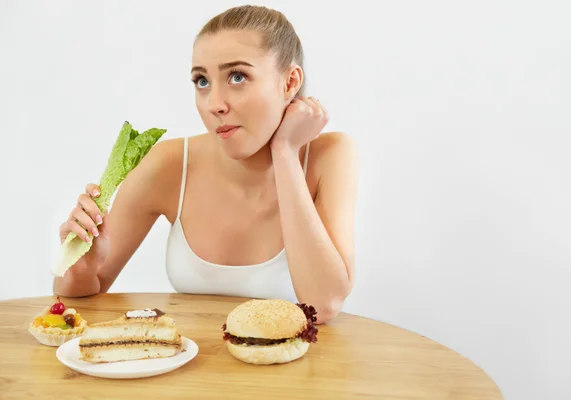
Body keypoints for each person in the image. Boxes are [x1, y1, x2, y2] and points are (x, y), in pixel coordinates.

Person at [53, 5, 359, 324]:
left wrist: (284, 151)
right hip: (191, 369)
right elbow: (75, 305)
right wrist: (80, 270)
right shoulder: (168, 164)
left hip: (294, 371)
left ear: (289, 82)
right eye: (201, 81)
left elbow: (323, 304)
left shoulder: (331, 155)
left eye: (237, 77)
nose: (214, 105)